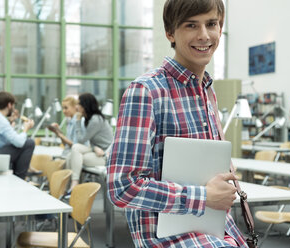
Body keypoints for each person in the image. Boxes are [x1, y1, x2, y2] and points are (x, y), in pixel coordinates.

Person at [106, 0, 248, 247]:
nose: (204, 35)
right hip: (171, 238)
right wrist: (203, 197)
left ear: (220, 27)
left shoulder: (208, 93)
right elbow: (122, 187)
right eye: (191, 25)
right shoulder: (146, 91)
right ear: (170, 33)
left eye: (211, 24)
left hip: (216, 228)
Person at [65, 93, 113, 191]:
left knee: (75, 155)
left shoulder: (96, 119)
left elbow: (81, 139)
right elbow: (93, 140)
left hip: (106, 156)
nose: (76, 106)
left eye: (78, 104)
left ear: (85, 105)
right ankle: (72, 186)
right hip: (97, 151)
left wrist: (78, 121)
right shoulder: (90, 119)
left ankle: (74, 184)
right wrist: (95, 147)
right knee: (72, 153)